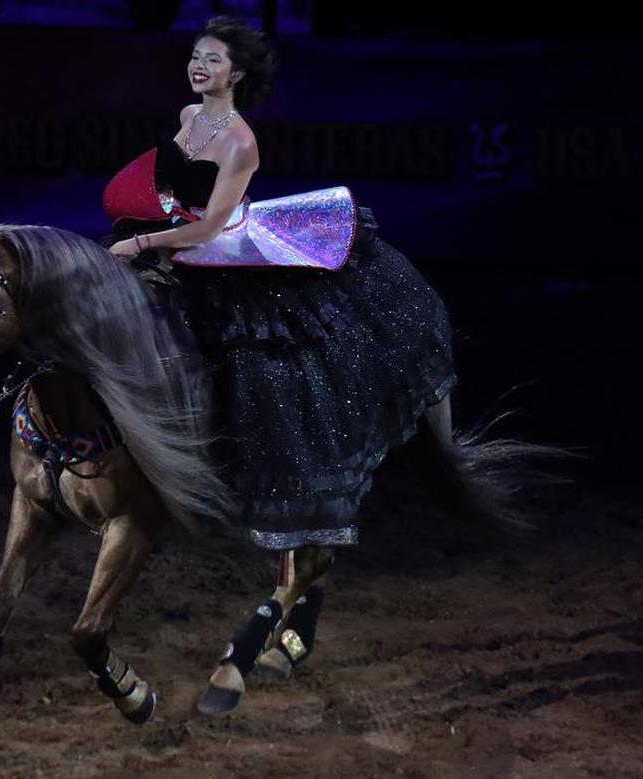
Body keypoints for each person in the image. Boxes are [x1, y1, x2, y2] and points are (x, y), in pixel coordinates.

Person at [101, 15, 457, 551]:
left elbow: (212, 225)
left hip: (216, 246)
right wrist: (148, 220)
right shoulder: (188, 115)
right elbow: (172, 189)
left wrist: (146, 243)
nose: (198, 65)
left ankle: (222, 462)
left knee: (246, 357)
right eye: (195, 55)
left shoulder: (242, 143)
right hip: (174, 236)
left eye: (212, 59)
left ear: (237, 74)